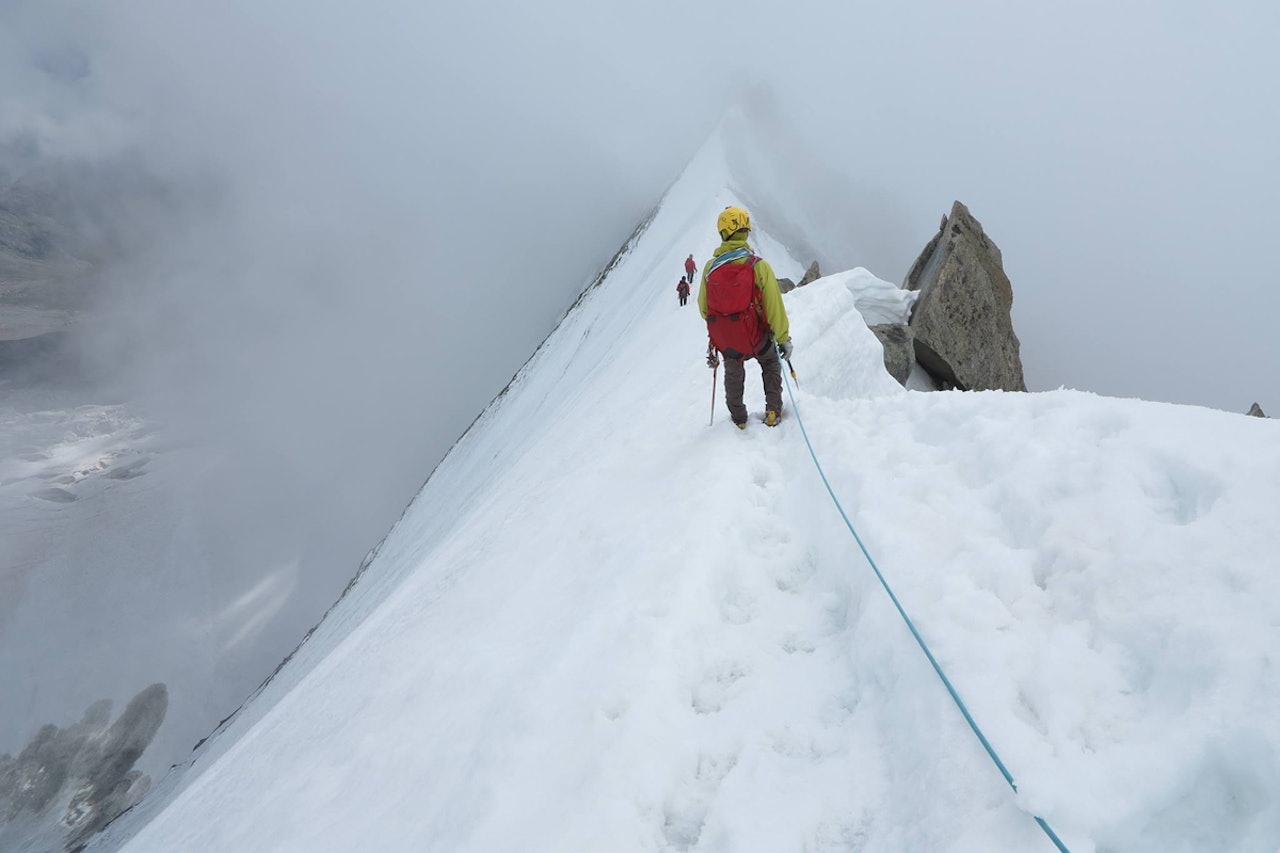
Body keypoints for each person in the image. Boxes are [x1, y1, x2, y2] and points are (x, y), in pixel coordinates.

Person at [698, 206, 793, 429]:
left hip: (729, 340)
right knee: (770, 362)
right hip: (756, 336)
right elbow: (773, 306)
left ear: (722, 233)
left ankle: (739, 419)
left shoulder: (710, 268)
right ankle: (773, 411)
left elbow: (704, 308)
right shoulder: (758, 266)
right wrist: (783, 338)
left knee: (733, 370)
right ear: (746, 231)